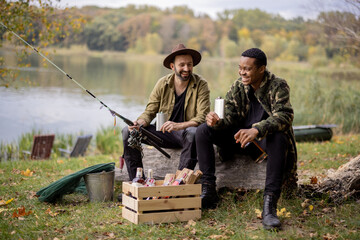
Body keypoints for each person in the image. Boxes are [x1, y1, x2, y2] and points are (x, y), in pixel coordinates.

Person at [195, 48, 297, 230]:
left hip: (264, 141)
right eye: (240, 67)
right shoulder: (238, 86)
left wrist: (257, 129)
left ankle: (269, 206)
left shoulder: (278, 86)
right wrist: (216, 122)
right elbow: (230, 117)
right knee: (203, 130)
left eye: (247, 69)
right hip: (241, 140)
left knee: (279, 137)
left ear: (261, 69)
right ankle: (208, 190)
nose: (242, 72)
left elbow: (285, 116)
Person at [122, 43, 210, 181]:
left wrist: (179, 126)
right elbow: (150, 111)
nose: (186, 69)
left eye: (189, 64)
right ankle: (137, 181)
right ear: (172, 66)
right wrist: (138, 123)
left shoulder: (201, 84)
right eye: (182, 65)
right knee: (128, 132)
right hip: (162, 134)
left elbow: (202, 116)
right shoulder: (162, 83)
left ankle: (179, 183)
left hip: (186, 136)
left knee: (193, 132)